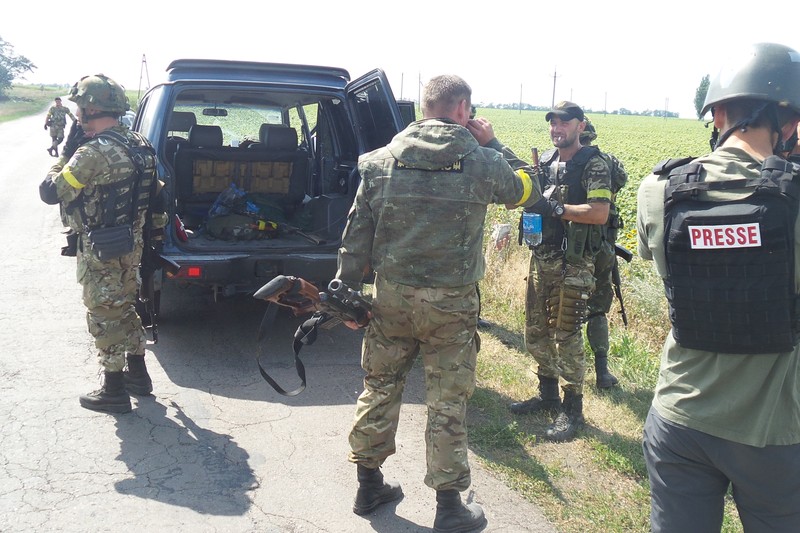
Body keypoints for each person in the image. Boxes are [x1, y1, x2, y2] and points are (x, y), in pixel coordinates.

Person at [336, 74, 542, 533]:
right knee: (447, 398)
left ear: (424, 107)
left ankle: (368, 486)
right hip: (451, 304)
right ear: (463, 108)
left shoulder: (378, 162)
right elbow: (527, 191)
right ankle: (449, 506)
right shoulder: (483, 161)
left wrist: (347, 300)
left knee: (380, 384)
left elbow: (355, 238)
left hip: (391, 298)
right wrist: (495, 143)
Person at [637, 42, 800, 532]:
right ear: (790, 121)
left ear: (718, 114)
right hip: (773, 433)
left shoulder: (658, 190)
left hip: (678, 417)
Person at [39, 74, 163, 414]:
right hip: (132, 244)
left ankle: (114, 389)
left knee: (104, 313)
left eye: (80, 109)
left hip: (101, 248)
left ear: (91, 110)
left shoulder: (92, 153)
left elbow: (51, 192)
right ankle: (138, 375)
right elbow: (158, 196)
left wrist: (63, 158)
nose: (78, 115)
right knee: (126, 306)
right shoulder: (141, 144)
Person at [509, 101, 612, 443]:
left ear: (580, 126)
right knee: (536, 331)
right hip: (541, 259)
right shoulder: (545, 162)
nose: (557, 128)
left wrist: (555, 208)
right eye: (553, 122)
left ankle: (573, 409)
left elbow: (599, 213)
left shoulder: (594, 164)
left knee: (566, 336)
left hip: (574, 264)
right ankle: (548, 395)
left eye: (564, 123)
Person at [580, 119, 628, 388]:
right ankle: (601, 372)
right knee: (597, 309)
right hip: (602, 245)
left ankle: (568, 367)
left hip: (571, 245)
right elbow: (621, 181)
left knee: (566, 304)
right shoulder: (609, 162)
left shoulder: (562, 162)